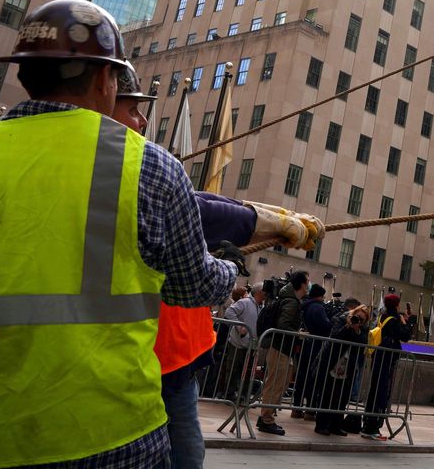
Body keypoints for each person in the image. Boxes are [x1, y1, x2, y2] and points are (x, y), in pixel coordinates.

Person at [0, 0, 242, 468]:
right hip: (104, 435)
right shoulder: (146, 166)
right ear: (104, 79)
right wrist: (229, 267)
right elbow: (193, 285)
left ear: (25, 75)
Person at [112, 63, 319, 465]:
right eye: (132, 108)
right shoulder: (128, 166)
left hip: (166, 353)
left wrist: (272, 217)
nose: (141, 122)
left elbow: (201, 203)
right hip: (153, 353)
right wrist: (245, 245)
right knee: (183, 456)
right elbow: (200, 223)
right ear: (99, 94)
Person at [257, 270, 310, 434]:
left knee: (279, 383)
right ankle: (266, 419)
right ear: (301, 284)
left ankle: (267, 417)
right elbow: (282, 325)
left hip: (282, 348)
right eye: (307, 281)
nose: (309, 284)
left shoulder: (289, 299)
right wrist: (298, 334)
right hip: (280, 347)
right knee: (275, 384)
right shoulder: (291, 302)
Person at [361, 293, 416, 439]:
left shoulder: (382, 316)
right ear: (396, 305)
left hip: (378, 357)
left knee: (375, 389)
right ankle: (372, 427)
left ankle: (367, 424)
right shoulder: (394, 319)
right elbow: (404, 336)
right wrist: (407, 322)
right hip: (386, 359)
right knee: (381, 391)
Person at [313, 298, 371, 437]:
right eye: (358, 317)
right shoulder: (341, 320)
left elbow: (362, 344)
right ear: (353, 313)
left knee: (342, 396)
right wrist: (348, 326)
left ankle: (335, 425)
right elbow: (336, 336)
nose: (359, 321)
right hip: (333, 361)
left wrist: (357, 330)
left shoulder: (363, 328)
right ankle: (321, 425)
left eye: (362, 320)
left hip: (348, 365)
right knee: (327, 394)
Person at [292, 283, 332, 418]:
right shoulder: (318, 308)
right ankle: (310, 409)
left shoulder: (304, 305)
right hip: (316, 346)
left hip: (304, 344)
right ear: (320, 296)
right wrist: (331, 320)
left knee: (301, 375)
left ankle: (296, 407)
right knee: (313, 377)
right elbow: (325, 326)